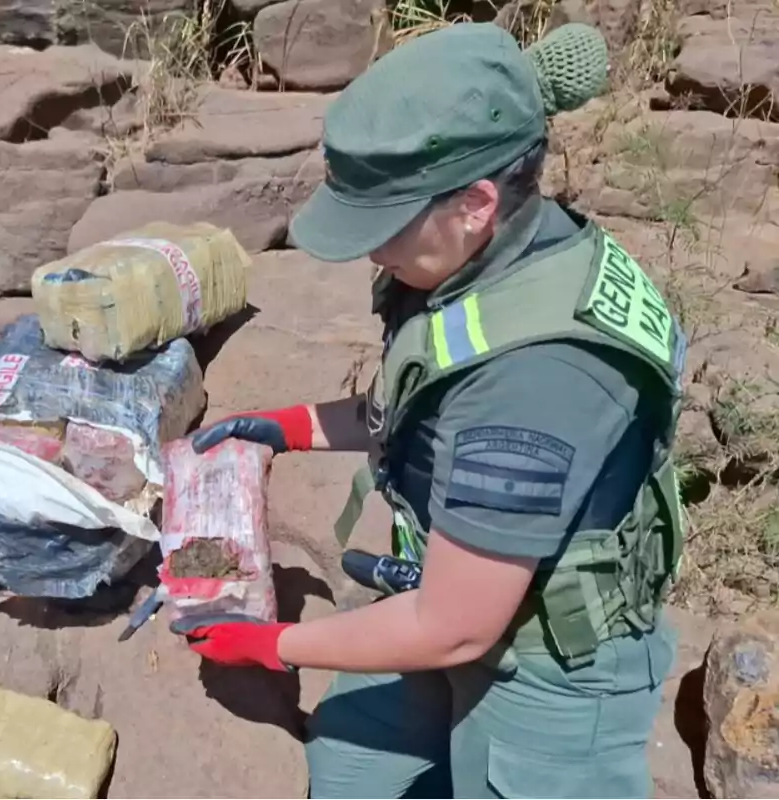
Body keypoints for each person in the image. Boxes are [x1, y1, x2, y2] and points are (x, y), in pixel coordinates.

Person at [174, 21, 689, 800]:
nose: (368, 251)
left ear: (476, 202)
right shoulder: (480, 260)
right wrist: (291, 428)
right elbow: (425, 401)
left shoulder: (539, 376)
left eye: (381, 228)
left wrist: (280, 644)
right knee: (352, 768)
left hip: (548, 659)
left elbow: (457, 625)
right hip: (452, 581)